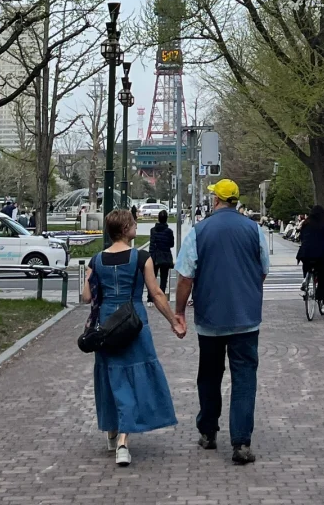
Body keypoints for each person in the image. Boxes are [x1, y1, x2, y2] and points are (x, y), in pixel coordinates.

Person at [174, 178, 269, 465]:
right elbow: (263, 269)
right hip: (246, 318)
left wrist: (179, 310)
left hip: (210, 318)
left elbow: (186, 276)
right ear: (236, 201)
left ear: (216, 200)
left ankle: (208, 431)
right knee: (244, 378)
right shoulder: (254, 229)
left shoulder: (199, 231)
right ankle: (240, 442)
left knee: (210, 374)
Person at [83, 206, 183, 467]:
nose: (136, 228)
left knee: (111, 375)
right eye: (133, 224)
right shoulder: (141, 259)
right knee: (132, 375)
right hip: (133, 321)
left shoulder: (96, 260)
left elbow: (86, 297)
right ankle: (123, 443)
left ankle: (112, 430)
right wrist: (174, 321)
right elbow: (156, 294)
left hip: (106, 323)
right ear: (126, 229)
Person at [297, 204, 324, 312]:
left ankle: (306, 279)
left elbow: (301, 237)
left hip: (306, 253)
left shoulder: (305, 224)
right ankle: (323, 301)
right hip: (321, 254)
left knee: (307, 266)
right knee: (323, 276)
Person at [148, 209, 175, 299]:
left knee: (152, 277)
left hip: (155, 255)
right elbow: (171, 244)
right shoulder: (169, 232)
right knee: (164, 278)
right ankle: (161, 296)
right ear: (166, 219)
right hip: (165, 255)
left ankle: (150, 297)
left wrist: (151, 255)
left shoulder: (152, 230)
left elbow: (152, 244)